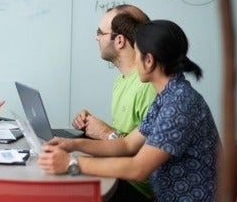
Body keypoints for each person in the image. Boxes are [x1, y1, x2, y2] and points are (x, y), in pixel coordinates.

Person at [38, 20, 220, 202]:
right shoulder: (168, 95)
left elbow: (138, 169)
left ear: (149, 61)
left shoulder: (180, 103)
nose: (133, 61)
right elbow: (127, 145)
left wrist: (71, 163)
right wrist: (72, 144)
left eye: (137, 54)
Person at [72, 5, 157, 201]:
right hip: (124, 174)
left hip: (141, 189)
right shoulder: (121, 82)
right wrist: (92, 128)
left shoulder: (150, 85)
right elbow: (129, 140)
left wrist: (104, 133)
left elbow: (150, 157)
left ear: (119, 40)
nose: (96, 38)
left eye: (100, 33)